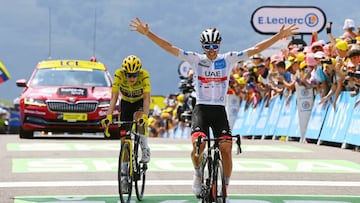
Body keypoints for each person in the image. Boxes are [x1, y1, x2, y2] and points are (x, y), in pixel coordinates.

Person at [130, 17, 298, 202]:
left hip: (219, 111)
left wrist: (278, 36)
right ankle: (197, 173)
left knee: (226, 148)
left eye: (215, 46)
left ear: (219, 45)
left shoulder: (228, 59)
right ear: (203, 46)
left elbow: (256, 49)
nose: (211, 51)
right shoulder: (196, 59)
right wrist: (148, 34)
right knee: (198, 146)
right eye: (208, 47)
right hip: (201, 109)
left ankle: (224, 184)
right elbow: (170, 47)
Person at [102, 54, 151, 163]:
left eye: (135, 75)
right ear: (124, 72)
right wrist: (109, 116)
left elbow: (147, 99)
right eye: (129, 75)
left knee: (139, 118)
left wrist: (145, 116)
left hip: (139, 102)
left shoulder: (144, 75)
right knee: (123, 138)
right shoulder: (118, 74)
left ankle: (145, 149)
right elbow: (114, 98)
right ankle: (124, 168)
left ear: (139, 72)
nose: (132, 78)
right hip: (126, 103)